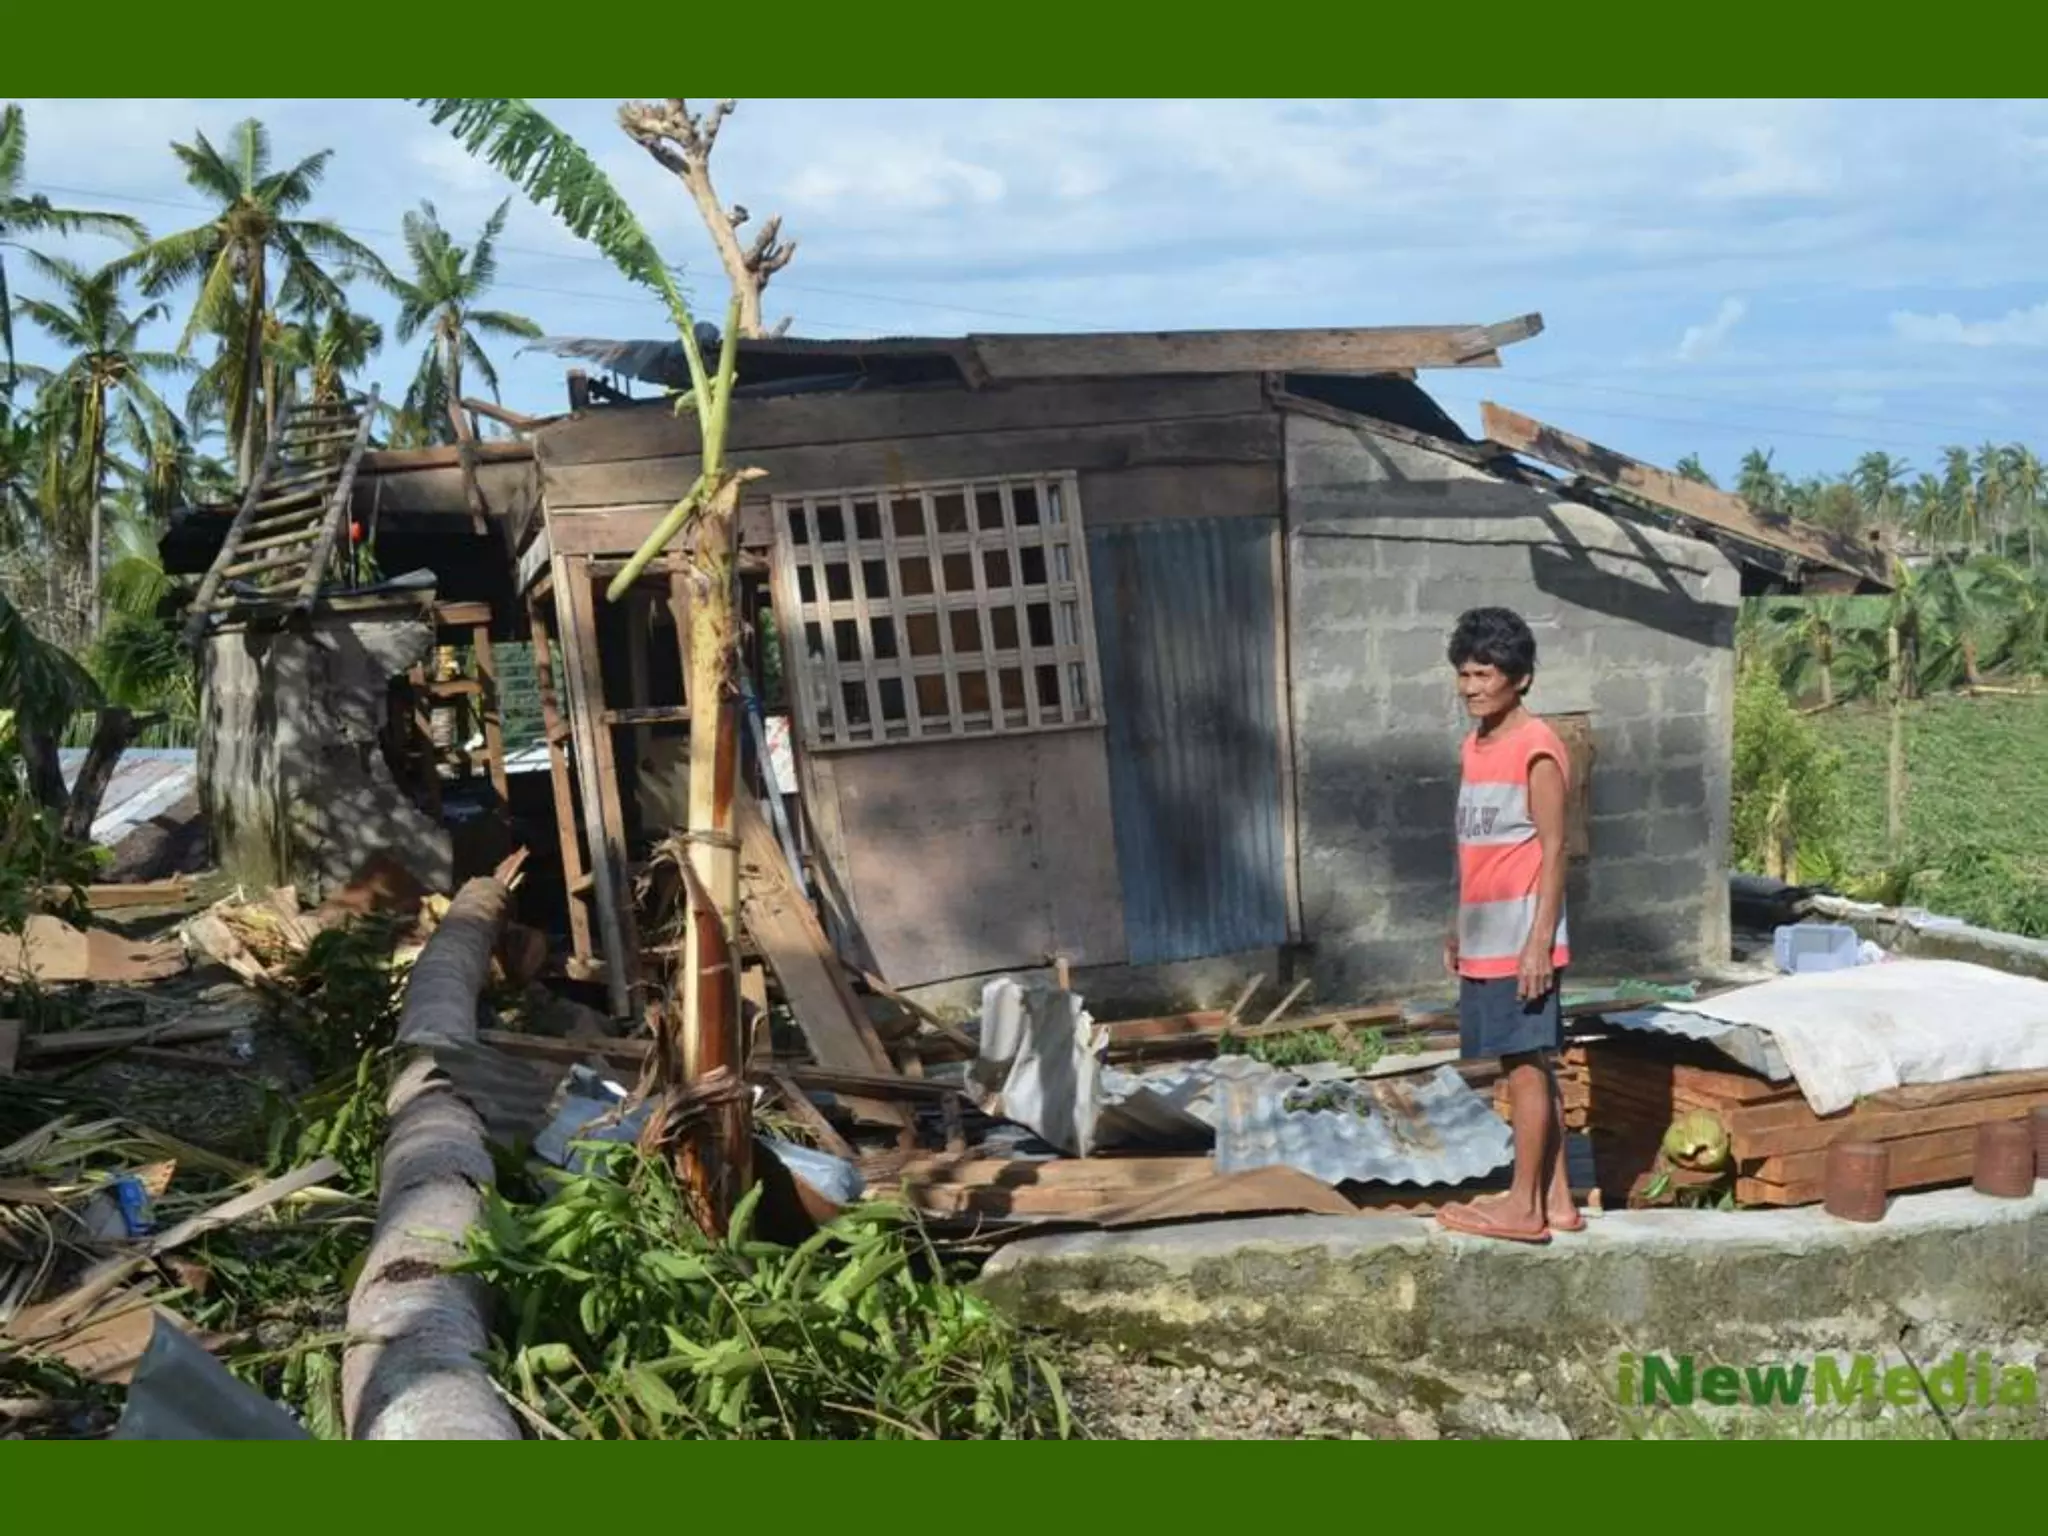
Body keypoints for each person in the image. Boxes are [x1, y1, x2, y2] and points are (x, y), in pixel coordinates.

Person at [1435, 607, 1580, 1244]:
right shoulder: (1475, 746)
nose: (1470, 687)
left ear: (1519, 679)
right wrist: (1457, 924)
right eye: (1463, 674)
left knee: (1523, 1067)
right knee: (1524, 1065)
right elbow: (1477, 846)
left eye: (1483, 673)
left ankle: (1523, 1208)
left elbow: (1554, 850)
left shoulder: (1537, 746)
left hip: (1523, 939)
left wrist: (1538, 945)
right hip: (1484, 936)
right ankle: (1557, 1200)